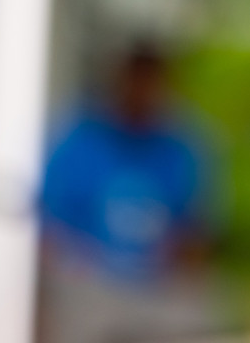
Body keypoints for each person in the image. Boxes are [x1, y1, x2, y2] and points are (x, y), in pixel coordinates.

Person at [38, 43, 220, 343]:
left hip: (156, 284)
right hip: (87, 281)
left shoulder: (183, 146)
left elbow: (198, 233)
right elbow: (48, 228)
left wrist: (173, 271)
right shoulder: (79, 139)